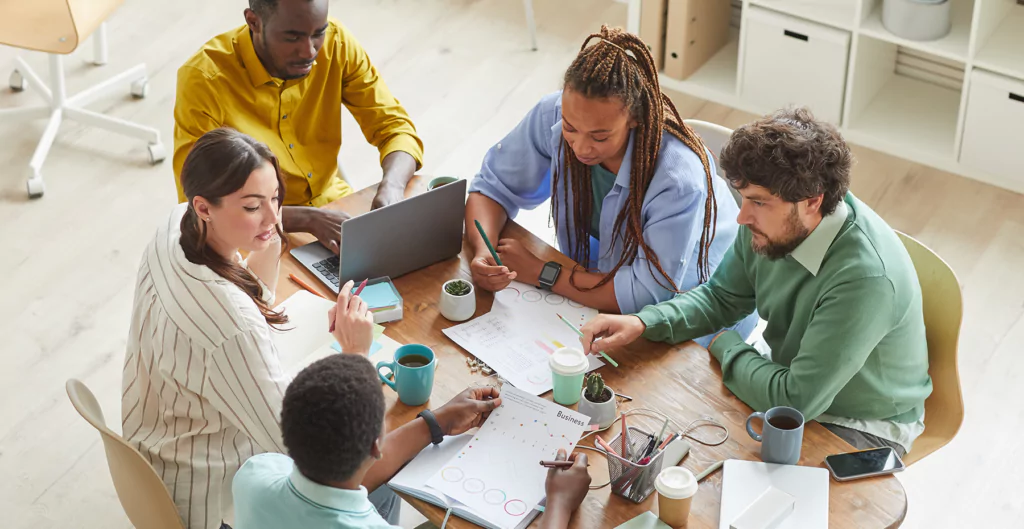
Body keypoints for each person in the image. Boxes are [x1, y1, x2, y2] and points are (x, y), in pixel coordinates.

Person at [579, 108, 933, 457]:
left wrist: (725, 345)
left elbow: (795, 401)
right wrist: (643, 322)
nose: (742, 216)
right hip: (788, 378)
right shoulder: (773, 226)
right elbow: (720, 298)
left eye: (759, 202)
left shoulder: (865, 279)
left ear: (813, 202)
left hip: (859, 423)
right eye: (744, 198)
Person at [123, 128, 393, 529]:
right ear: (204, 207)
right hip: (208, 496)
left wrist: (265, 230)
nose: (274, 217)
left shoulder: (174, 224)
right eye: (252, 207)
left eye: (276, 199)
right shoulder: (231, 326)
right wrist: (355, 355)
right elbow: (311, 448)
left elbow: (257, 292)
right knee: (382, 480)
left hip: (160, 438)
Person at [466, 26, 757, 343]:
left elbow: (646, 295)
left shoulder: (677, 178)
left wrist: (542, 272)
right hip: (599, 283)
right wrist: (484, 251)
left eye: (600, 136)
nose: (580, 147)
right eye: (570, 128)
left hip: (695, 309)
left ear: (634, 118)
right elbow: (492, 188)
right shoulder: (555, 112)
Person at [173, 0, 423, 253]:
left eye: (318, 33)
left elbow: (395, 127)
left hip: (335, 208)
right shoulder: (205, 80)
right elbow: (197, 201)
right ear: (253, 22)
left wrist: (392, 188)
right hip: (250, 234)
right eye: (292, 37)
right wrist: (307, 219)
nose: (309, 51)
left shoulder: (337, 43)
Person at [233, 355, 592, 529]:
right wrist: (558, 502)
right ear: (377, 445)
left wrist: (436, 422)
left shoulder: (254, 475)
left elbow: (343, 481)